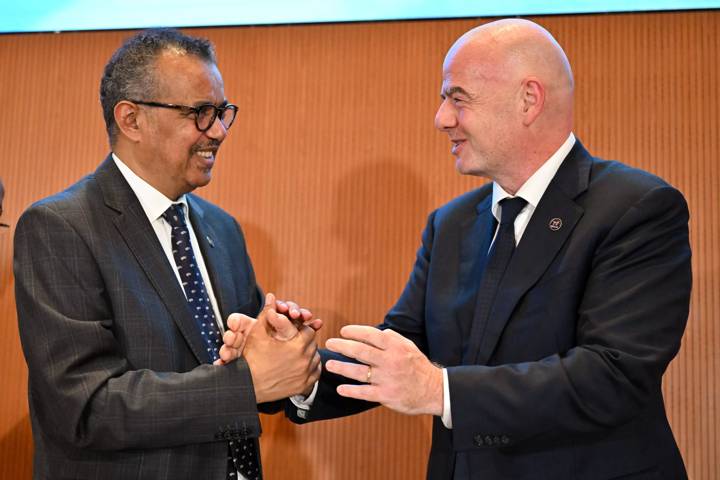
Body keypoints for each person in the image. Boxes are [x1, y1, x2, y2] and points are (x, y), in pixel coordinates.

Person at [267, 18, 691, 479]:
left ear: (528, 100)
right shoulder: (450, 224)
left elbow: (612, 376)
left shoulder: (636, 208)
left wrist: (439, 389)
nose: (441, 118)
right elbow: (402, 347)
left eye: (458, 98)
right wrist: (298, 367)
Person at [14, 29, 321, 480]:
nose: (217, 131)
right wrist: (247, 380)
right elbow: (87, 406)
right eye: (199, 112)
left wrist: (288, 357)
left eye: (221, 112)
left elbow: (252, 375)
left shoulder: (222, 229)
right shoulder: (60, 227)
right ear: (131, 119)